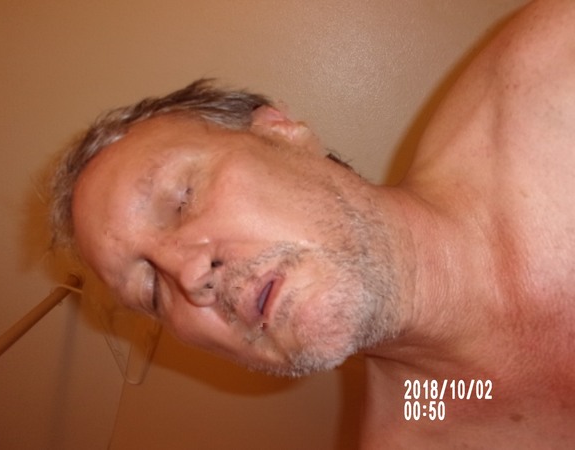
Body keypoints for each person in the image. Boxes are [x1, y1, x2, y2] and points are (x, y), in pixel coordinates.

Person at [48, 0, 574, 447]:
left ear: (280, 131)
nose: (187, 276)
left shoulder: (555, 73)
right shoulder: (423, 421)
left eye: (182, 197)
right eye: (152, 292)